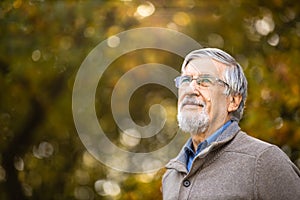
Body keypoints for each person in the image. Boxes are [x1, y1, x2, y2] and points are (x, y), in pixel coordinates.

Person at [162, 48, 300, 200]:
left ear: (233, 101)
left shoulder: (264, 161)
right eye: (185, 80)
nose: (190, 89)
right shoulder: (171, 176)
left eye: (205, 81)